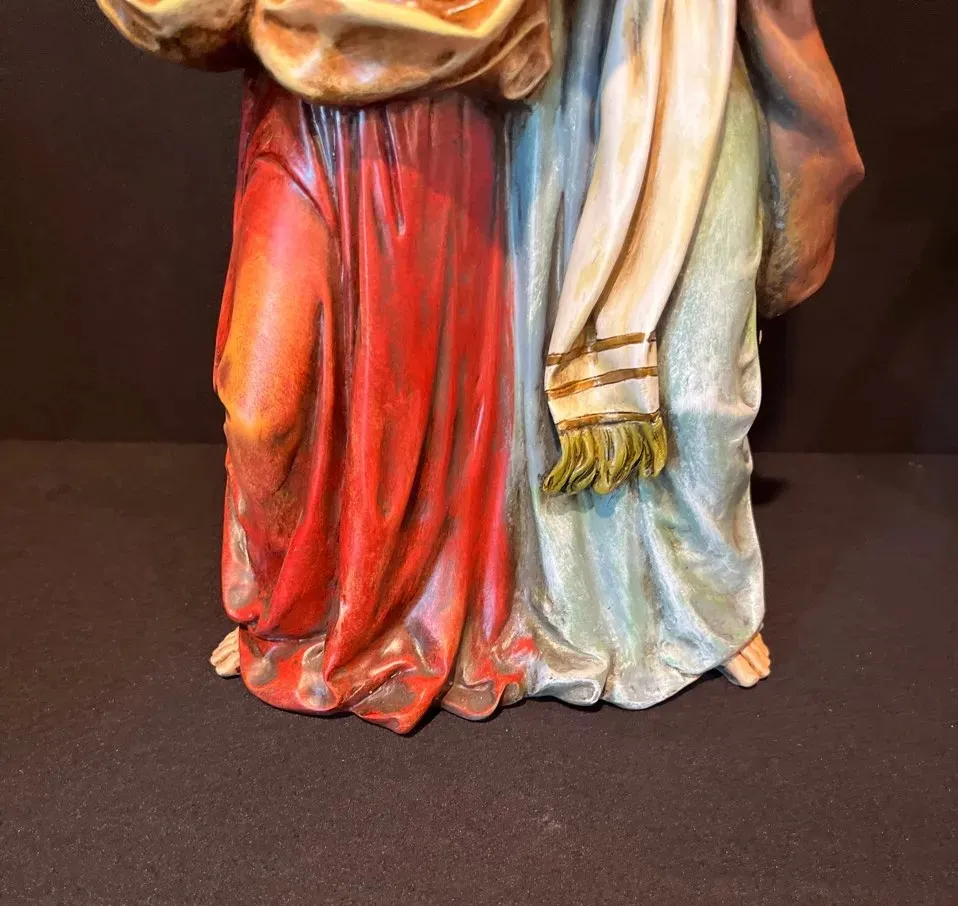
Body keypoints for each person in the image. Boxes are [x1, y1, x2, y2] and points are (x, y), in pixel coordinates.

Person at [97, 0, 862, 733]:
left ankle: (702, 609)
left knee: (691, 392)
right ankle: (292, 613)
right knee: (275, 408)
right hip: (348, 121)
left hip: (647, 73)